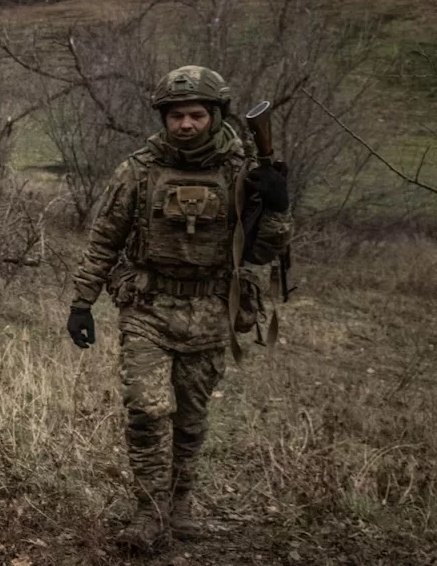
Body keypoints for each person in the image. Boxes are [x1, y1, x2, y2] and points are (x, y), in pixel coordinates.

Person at [65, 66, 291, 552]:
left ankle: (180, 506)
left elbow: (262, 252)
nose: (185, 124)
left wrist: (276, 206)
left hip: (211, 308)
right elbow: (104, 240)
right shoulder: (139, 170)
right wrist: (81, 303)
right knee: (147, 411)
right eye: (175, 116)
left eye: (195, 115)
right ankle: (148, 512)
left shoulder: (240, 171)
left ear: (214, 115)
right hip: (148, 308)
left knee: (191, 417)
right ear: (163, 118)